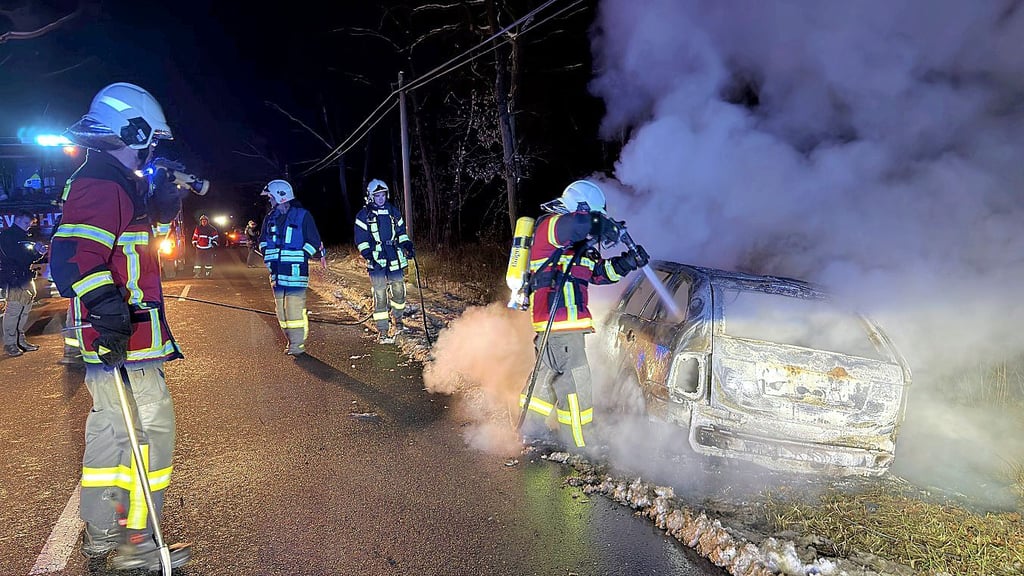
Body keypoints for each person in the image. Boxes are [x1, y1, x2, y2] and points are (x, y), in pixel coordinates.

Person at [50, 81, 191, 570]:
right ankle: (138, 542)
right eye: (149, 139)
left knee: (111, 430)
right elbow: (72, 259)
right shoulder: (101, 183)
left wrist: (163, 204)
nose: (150, 150)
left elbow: (126, 245)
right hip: (123, 340)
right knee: (151, 432)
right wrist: (109, 313)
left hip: (116, 339)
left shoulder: (111, 180)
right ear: (131, 130)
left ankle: (103, 535)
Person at [518, 179, 649, 454]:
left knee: (547, 377)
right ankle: (580, 444)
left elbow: (600, 274)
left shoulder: (580, 250)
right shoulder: (551, 227)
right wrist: (603, 224)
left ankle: (532, 430)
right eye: (594, 215)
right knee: (577, 384)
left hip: (559, 327)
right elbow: (577, 225)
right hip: (560, 324)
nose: (596, 223)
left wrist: (627, 262)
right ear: (580, 208)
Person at [258, 179, 325, 356]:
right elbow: (263, 241)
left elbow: (314, 241)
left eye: (271, 197)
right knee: (281, 311)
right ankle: (290, 339)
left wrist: (302, 255)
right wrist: (266, 254)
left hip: (296, 273)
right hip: (277, 273)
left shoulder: (303, 216)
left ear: (280, 197)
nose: (269, 201)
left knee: (294, 309)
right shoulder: (270, 218)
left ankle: (297, 344)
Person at [353, 179, 415, 344]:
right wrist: (369, 255)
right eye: (377, 195)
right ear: (371, 196)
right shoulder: (364, 215)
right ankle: (383, 330)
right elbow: (361, 239)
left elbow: (401, 232)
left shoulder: (393, 212)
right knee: (380, 295)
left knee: (399, 291)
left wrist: (407, 244)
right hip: (377, 260)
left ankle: (399, 321)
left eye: (383, 195)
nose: (381, 198)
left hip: (394, 258)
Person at [0, 209, 47, 356]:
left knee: (24, 311)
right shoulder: (8, 236)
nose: (28, 226)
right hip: (15, 279)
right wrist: (36, 252)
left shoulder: (21, 235)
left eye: (30, 223)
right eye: (26, 223)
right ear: (17, 220)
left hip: (24, 277)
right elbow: (19, 259)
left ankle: (20, 341)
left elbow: (27, 258)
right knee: (14, 312)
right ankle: (10, 344)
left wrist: (38, 253)